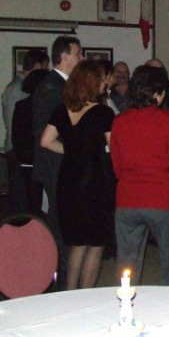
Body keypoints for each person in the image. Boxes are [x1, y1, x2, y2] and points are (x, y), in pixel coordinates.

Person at [110, 65, 169, 286]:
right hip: (161, 198)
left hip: (127, 198)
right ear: (158, 93)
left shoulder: (119, 121)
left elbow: (116, 164)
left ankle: (126, 303)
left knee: (127, 264)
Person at [40, 60, 115, 290]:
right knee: (96, 244)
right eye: (101, 79)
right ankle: (86, 296)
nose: (104, 83)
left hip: (69, 180)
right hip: (95, 180)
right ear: (92, 82)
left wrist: (72, 150)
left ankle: (70, 294)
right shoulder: (103, 112)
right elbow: (115, 148)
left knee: (77, 243)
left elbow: (45, 141)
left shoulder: (61, 110)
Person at [32, 35, 82, 290]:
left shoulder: (60, 85)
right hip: (55, 167)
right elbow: (44, 134)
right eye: (78, 53)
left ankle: (64, 282)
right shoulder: (52, 87)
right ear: (64, 56)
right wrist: (74, 151)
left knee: (65, 224)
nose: (81, 58)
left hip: (60, 166)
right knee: (60, 226)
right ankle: (60, 285)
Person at [2, 48, 49, 214]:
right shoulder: (18, 89)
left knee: (27, 198)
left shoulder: (18, 88)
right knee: (24, 200)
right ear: (38, 66)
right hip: (20, 153)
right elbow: (15, 126)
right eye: (46, 66)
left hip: (21, 151)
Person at [12, 69, 50, 215]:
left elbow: (17, 135)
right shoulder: (44, 105)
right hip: (38, 159)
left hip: (27, 160)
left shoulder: (22, 105)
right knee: (40, 201)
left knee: (31, 201)